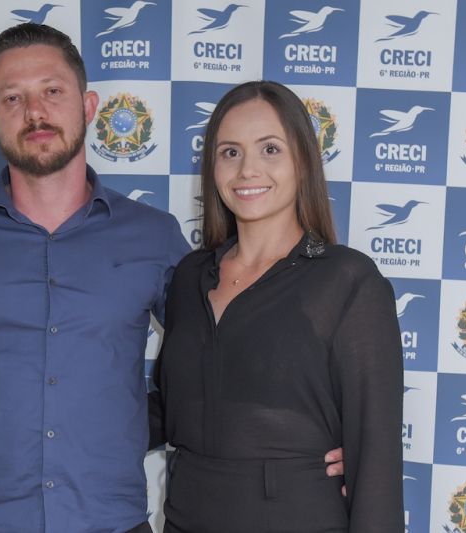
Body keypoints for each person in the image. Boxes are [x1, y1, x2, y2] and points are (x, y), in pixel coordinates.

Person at [0, 24, 344, 533]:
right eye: (13, 98)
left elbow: (226, 363)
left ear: (89, 105)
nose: (35, 112)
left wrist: (319, 439)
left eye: (52, 91)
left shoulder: (153, 237)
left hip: (112, 522)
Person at [148, 81, 404, 533]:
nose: (248, 169)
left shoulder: (347, 280)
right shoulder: (189, 276)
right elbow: (171, 410)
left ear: (302, 161)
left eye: (270, 149)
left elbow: (377, 462)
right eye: (230, 152)